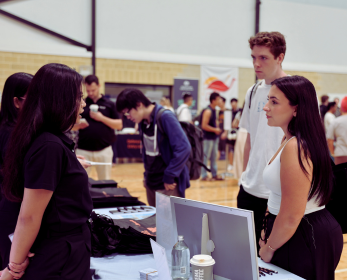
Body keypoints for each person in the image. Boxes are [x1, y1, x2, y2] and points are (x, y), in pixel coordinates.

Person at [0, 63, 93, 280]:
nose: (83, 103)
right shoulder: (48, 145)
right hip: (59, 257)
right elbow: (29, 216)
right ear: (61, 100)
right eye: (79, 96)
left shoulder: (49, 140)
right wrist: (12, 268)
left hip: (65, 250)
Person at [260, 75, 343, 280]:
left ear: (296, 108)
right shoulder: (290, 140)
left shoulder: (296, 147)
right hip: (295, 230)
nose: (266, 107)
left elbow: (291, 215)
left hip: (304, 233)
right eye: (268, 100)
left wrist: (269, 248)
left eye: (274, 102)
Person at [238, 32, 286, 245]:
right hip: (249, 188)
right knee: (246, 254)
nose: (256, 63)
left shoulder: (297, 90)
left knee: (271, 260)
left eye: (263, 58)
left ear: (280, 57)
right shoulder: (252, 91)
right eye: (253, 57)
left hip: (277, 192)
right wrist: (245, 175)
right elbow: (250, 139)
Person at [115, 88, 191, 207]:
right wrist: (147, 175)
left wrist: (170, 175)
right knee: (154, 223)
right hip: (151, 182)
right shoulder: (142, 122)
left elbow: (183, 147)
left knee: (169, 223)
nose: (128, 117)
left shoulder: (165, 117)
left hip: (168, 184)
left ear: (138, 105)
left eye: (128, 112)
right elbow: (147, 152)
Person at [0, 73, 34, 276]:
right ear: (16, 102)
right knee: (12, 269)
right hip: (11, 210)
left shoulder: (12, 128)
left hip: (9, 207)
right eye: (33, 98)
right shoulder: (12, 133)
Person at [76, 75, 122, 180]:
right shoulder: (82, 103)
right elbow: (71, 127)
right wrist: (78, 126)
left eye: (93, 90)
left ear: (99, 86)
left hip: (104, 150)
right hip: (83, 150)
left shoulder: (109, 104)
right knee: (81, 181)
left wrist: (101, 118)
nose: (91, 93)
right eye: (88, 90)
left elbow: (119, 125)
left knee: (105, 182)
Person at [200, 92, 224, 181]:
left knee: (214, 157)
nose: (219, 101)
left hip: (213, 137)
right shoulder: (208, 110)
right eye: (218, 99)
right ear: (213, 100)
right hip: (207, 138)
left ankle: (214, 174)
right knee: (205, 157)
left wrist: (216, 128)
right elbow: (204, 125)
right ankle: (204, 175)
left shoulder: (214, 110)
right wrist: (215, 130)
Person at [327, 96, 347, 165]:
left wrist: (332, 153)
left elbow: (330, 140)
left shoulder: (336, 121)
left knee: (341, 175)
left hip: (340, 154)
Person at [227, 98, 241, 171]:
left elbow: (238, 124)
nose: (233, 104)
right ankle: (230, 164)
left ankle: (237, 164)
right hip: (231, 133)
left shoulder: (240, 111)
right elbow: (231, 124)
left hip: (239, 133)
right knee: (230, 148)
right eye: (232, 103)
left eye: (234, 102)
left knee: (238, 149)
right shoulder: (229, 112)